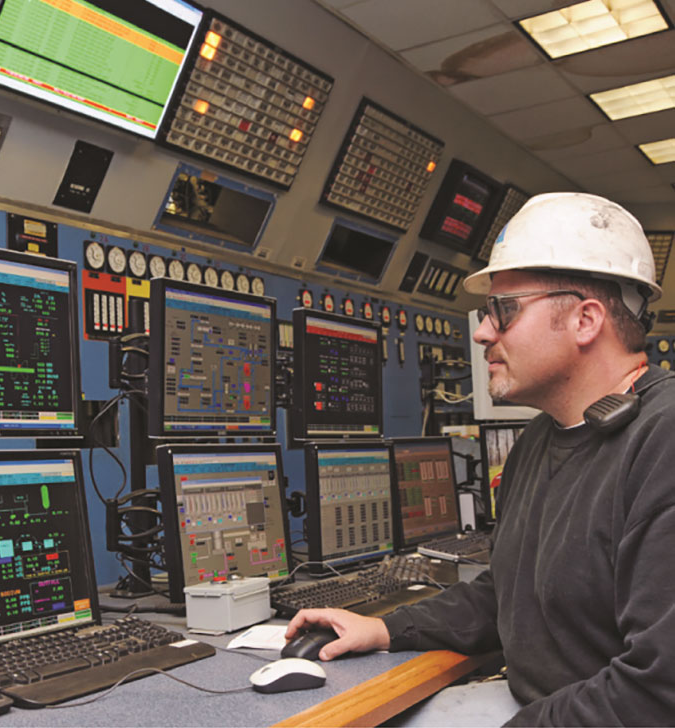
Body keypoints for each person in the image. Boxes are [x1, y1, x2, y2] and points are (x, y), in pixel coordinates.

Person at [286, 192, 675, 726]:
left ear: (586, 320)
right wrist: (384, 629)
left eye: (502, 310)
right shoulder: (540, 439)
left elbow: (657, 693)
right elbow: (507, 595)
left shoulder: (662, 442)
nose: (482, 331)